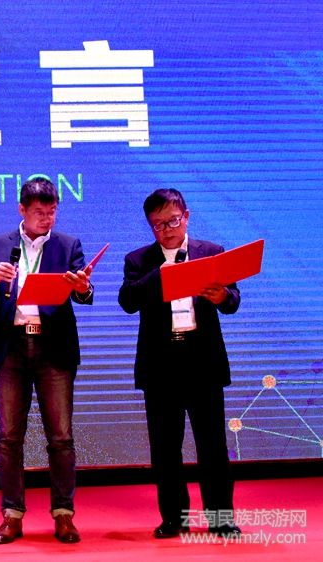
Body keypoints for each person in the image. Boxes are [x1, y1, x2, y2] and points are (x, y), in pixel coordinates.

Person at [0, 177, 93, 545]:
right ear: (22, 209)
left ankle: (64, 514)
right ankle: (11, 515)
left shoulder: (68, 244)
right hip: (11, 348)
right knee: (10, 437)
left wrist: (82, 287)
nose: (47, 219)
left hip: (53, 348)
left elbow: (85, 293)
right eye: (39, 212)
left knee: (61, 437)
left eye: (52, 211)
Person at [118, 188, 242, 539]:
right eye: (158, 225)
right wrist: (162, 272)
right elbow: (127, 300)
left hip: (203, 361)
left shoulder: (212, 252)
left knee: (213, 447)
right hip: (161, 365)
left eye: (172, 221)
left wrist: (223, 296)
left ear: (186, 216)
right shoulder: (139, 260)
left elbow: (233, 300)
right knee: (165, 449)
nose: (167, 229)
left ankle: (221, 518)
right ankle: (174, 518)